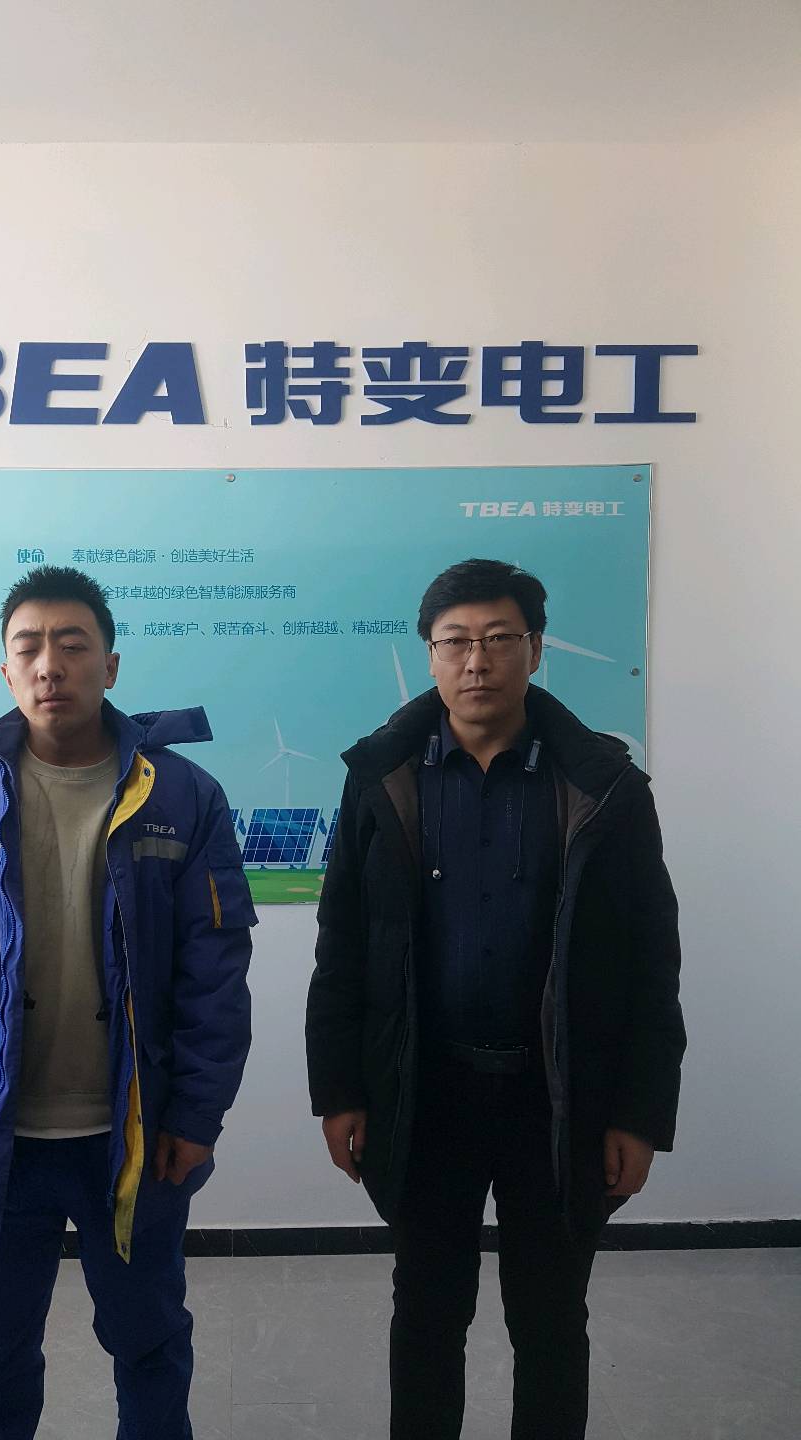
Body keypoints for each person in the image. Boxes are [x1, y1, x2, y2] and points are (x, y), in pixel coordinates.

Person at [305, 557, 685, 1440]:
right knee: (426, 1314)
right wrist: (340, 1091)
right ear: (430, 655)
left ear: (536, 650)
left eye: (499, 639)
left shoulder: (605, 789)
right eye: (456, 642)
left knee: (550, 1319)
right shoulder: (381, 780)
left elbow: (650, 962)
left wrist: (639, 1113)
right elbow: (343, 946)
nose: (477, 661)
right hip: (424, 1092)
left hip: (558, 1100)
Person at [0, 564, 255, 1440]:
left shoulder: (181, 796)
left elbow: (213, 975)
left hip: (135, 1132)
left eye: (73, 645)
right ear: (6, 672)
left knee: (149, 1339)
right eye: (30, 648)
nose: (51, 664)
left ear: (110, 666)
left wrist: (197, 1113)